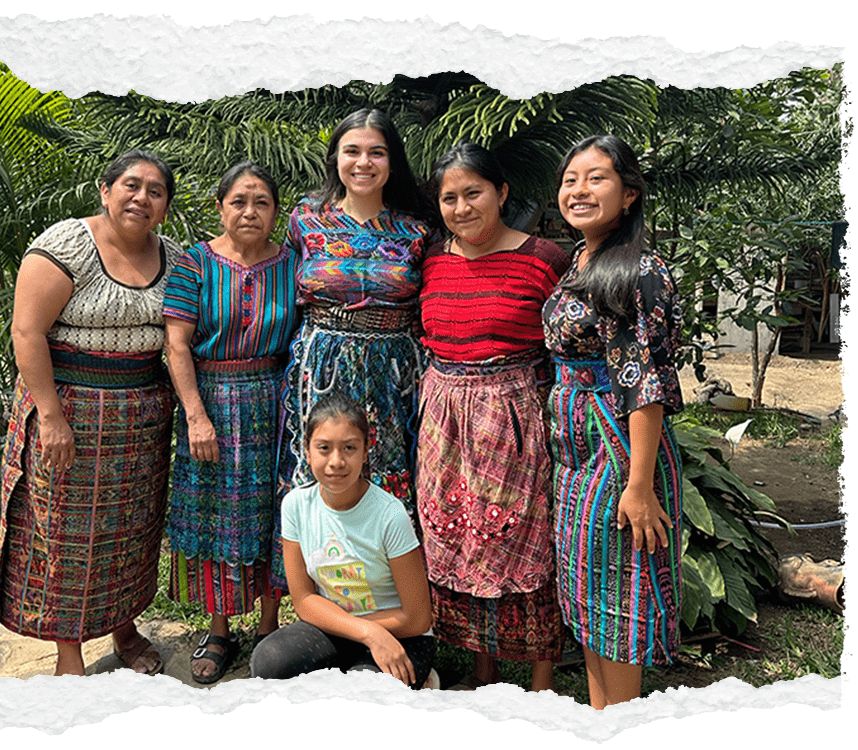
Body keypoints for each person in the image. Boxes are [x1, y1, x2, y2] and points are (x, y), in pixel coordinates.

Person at [0, 150, 181, 676]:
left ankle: (124, 629)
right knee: (64, 534)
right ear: (105, 190)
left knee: (130, 533)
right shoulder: (66, 245)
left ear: (165, 206)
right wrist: (50, 417)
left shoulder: (175, 257)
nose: (141, 197)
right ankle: (69, 655)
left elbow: (182, 338)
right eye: (131, 185)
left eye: (155, 191)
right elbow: (27, 332)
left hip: (140, 423)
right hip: (69, 413)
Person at [417, 141, 570, 691]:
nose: (461, 208)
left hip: (513, 418)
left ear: (501, 192)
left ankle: (541, 680)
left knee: (523, 538)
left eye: (473, 193)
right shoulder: (431, 259)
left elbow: (566, 347)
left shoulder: (545, 258)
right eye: (449, 198)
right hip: (443, 420)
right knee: (457, 535)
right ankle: (481, 672)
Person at [542, 135, 684, 708]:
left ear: (628, 195)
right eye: (571, 178)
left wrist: (639, 486)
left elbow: (643, 383)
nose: (579, 189)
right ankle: (602, 718)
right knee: (591, 591)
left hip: (616, 445)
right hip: (575, 450)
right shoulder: (582, 258)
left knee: (621, 598)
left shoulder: (636, 270)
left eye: (595, 178)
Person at [272, 108, 435, 590]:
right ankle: (321, 599)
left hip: (392, 372)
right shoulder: (306, 219)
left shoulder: (419, 227)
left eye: (376, 152)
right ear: (335, 158)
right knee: (323, 472)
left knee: (387, 474)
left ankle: (388, 598)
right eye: (353, 151)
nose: (364, 162)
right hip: (320, 366)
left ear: (392, 161)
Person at [162, 161, 299, 684]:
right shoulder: (195, 264)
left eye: (261, 202)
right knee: (218, 514)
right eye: (239, 201)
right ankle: (220, 628)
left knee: (274, 511)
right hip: (212, 401)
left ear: (275, 211)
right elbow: (176, 344)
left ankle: (269, 625)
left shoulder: (291, 263)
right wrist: (196, 415)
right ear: (219, 206)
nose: (249, 212)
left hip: (277, 400)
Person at [251, 393, 435, 688]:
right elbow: (304, 600)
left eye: (349, 448)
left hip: (401, 634)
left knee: (362, 696)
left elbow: (417, 618)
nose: (336, 461)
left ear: (365, 453)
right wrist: (365, 632)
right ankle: (351, 669)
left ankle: (421, 680)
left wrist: (376, 634)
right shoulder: (296, 506)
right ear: (307, 452)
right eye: (324, 448)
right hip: (336, 628)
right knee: (270, 660)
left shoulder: (389, 515)